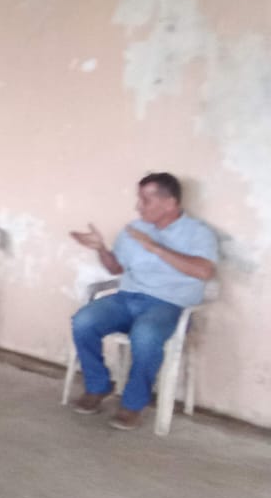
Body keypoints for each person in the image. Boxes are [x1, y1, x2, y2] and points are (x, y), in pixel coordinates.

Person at [69, 172, 217, 430]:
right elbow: (116, 268)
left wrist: (155, 248)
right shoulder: (134, 230)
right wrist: (101, 248)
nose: (138, 206)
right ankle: (98, 386)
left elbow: (204, 271)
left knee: (146, 335)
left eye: (146, 200)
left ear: (170, 203)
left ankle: (133, 404)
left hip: (167, 304)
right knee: (83, 321)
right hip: (126, 299)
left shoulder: (198, 233)